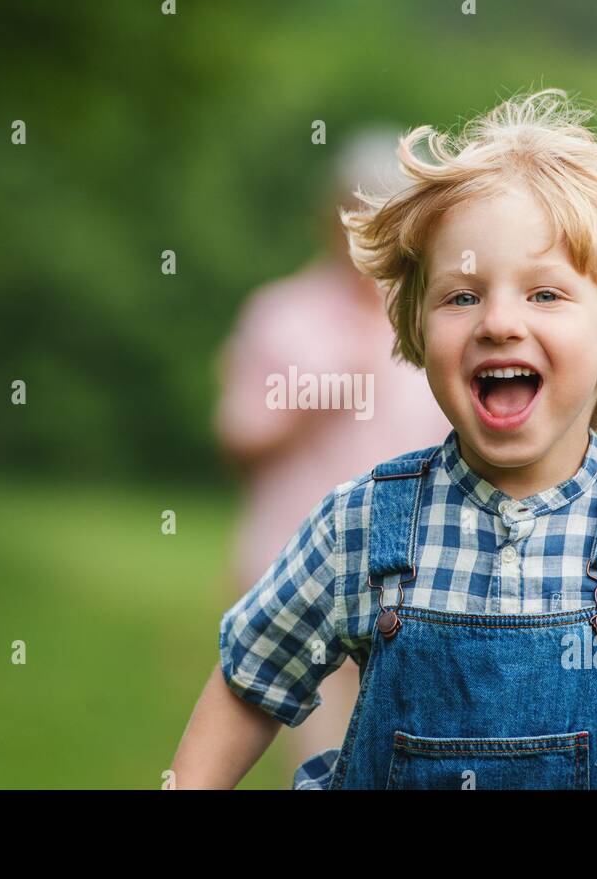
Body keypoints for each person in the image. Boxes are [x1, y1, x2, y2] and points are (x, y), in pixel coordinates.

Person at [172, 88, 597, 789]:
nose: (498, 320)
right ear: (415, 327)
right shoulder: (361, 524)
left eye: (544, 294)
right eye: (462, 295)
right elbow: (249, 675)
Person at [212, 128, 451, 772]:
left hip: (414, 576)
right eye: (359, 210)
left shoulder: (437, 319)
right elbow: (238, 440)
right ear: (332, 216)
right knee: (331, 756)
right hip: (294, 569)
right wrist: (316, 401)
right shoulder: (282, 315)